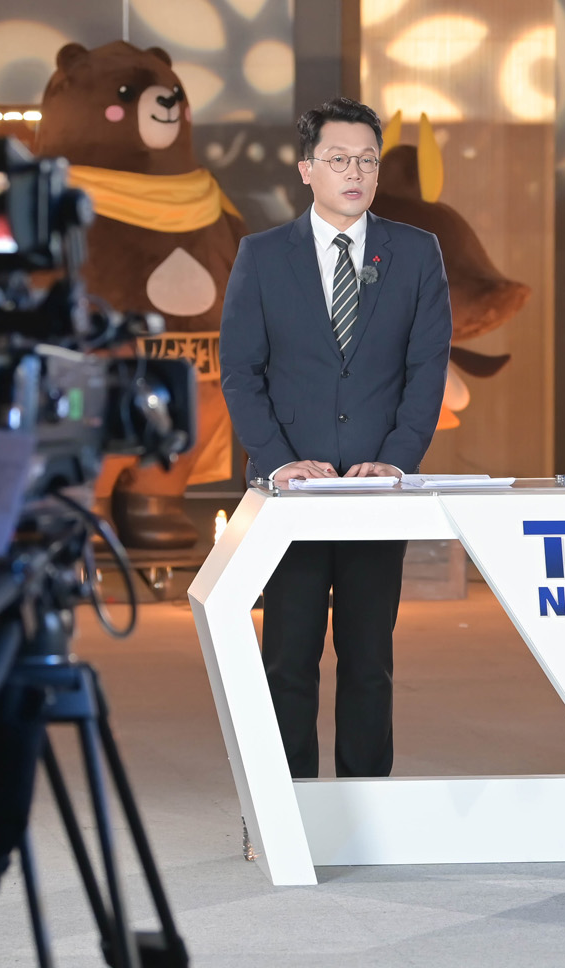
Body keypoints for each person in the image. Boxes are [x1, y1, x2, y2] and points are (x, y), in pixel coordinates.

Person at [219, 97, 452, 779]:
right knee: (287, 658)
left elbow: (426, 370)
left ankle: (365, 802)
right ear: (306, 168)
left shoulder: (416, 253)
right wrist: (278, 463)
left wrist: (396, 461)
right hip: (291, 495)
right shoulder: (263, 257)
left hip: (374, 494)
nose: (355, 172)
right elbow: (240, 371)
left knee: (369, 660)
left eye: (367, 161)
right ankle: (290, 803)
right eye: (339, 159)